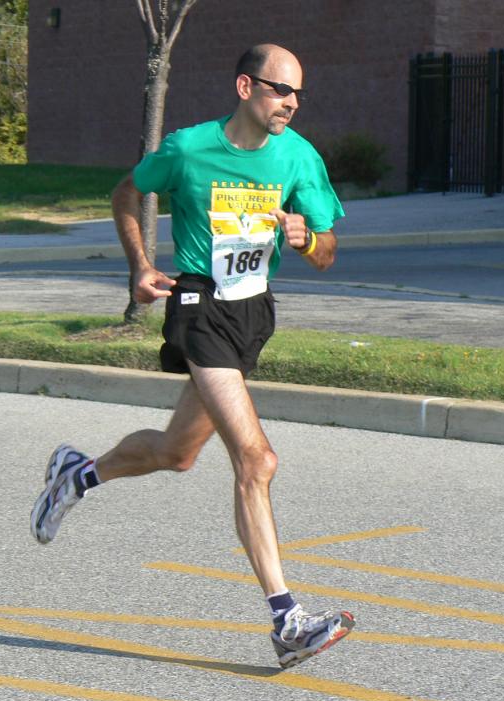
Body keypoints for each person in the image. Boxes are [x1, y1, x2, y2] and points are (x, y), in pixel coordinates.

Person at [30, 44, 355, 669]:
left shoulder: (298, 157)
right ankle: (287, 621)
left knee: (176, 453)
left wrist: (307, 237)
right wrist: (140, 266)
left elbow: (328, 251)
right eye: (280, 89)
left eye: (297, 93)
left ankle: (76, 475)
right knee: (256, 460)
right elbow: (126, 193)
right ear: (245, 87)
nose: (291, 102)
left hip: (252, 313)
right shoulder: (187, 148)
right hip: (198, 307)